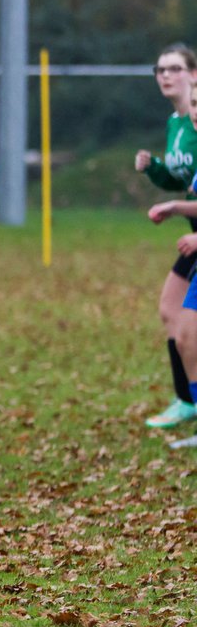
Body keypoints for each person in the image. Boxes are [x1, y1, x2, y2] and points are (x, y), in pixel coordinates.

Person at [137, 44, 197, 429]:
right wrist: (154, 169)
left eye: (174, 68)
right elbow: (182, 181)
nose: (165, 75)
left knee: (188, 323)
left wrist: (176, 205)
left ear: (194, 75)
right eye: (160, 69)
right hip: (193, 230)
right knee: (171, 312)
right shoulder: (176, 124)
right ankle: (187, 398)